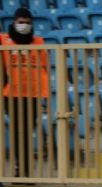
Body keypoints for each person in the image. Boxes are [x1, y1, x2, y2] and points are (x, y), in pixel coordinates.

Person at [0, 7, 49, 177]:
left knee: (27, 132)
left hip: (33, 95)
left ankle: (25, 170)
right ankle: (19, 168)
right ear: (14, 22)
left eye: (28, 22)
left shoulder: (38, 42)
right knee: (17, 131)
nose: (24, 25)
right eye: (21, 22)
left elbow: (43, 68)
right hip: (12, 94)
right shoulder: (3, 40)